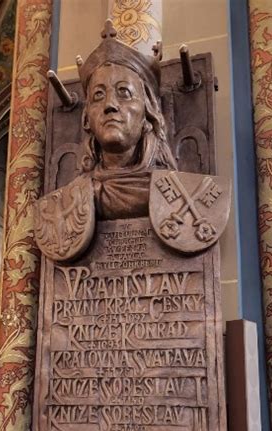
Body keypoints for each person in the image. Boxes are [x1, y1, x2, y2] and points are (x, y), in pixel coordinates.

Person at [34, 20, 177, 261]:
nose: (110, 105)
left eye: (124, 93)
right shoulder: (62, 207)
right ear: (86, 119)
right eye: (98, 95)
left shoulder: (179, 197)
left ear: (148, 113)